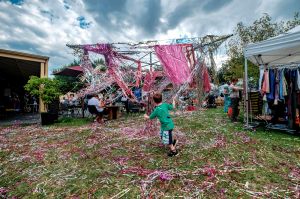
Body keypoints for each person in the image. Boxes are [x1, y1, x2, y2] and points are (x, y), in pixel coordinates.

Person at [144, 92, 178, 157]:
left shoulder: (157, 110)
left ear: (154, 101)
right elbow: (173, 107)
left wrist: (145, 116)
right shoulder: (165, 105)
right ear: (161, 99)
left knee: (167, 140)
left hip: (166, 127)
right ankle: (174, 142)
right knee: (164, 136)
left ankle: (174, 151)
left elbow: (150, 117)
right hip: (169, 124)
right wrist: (173, 101)